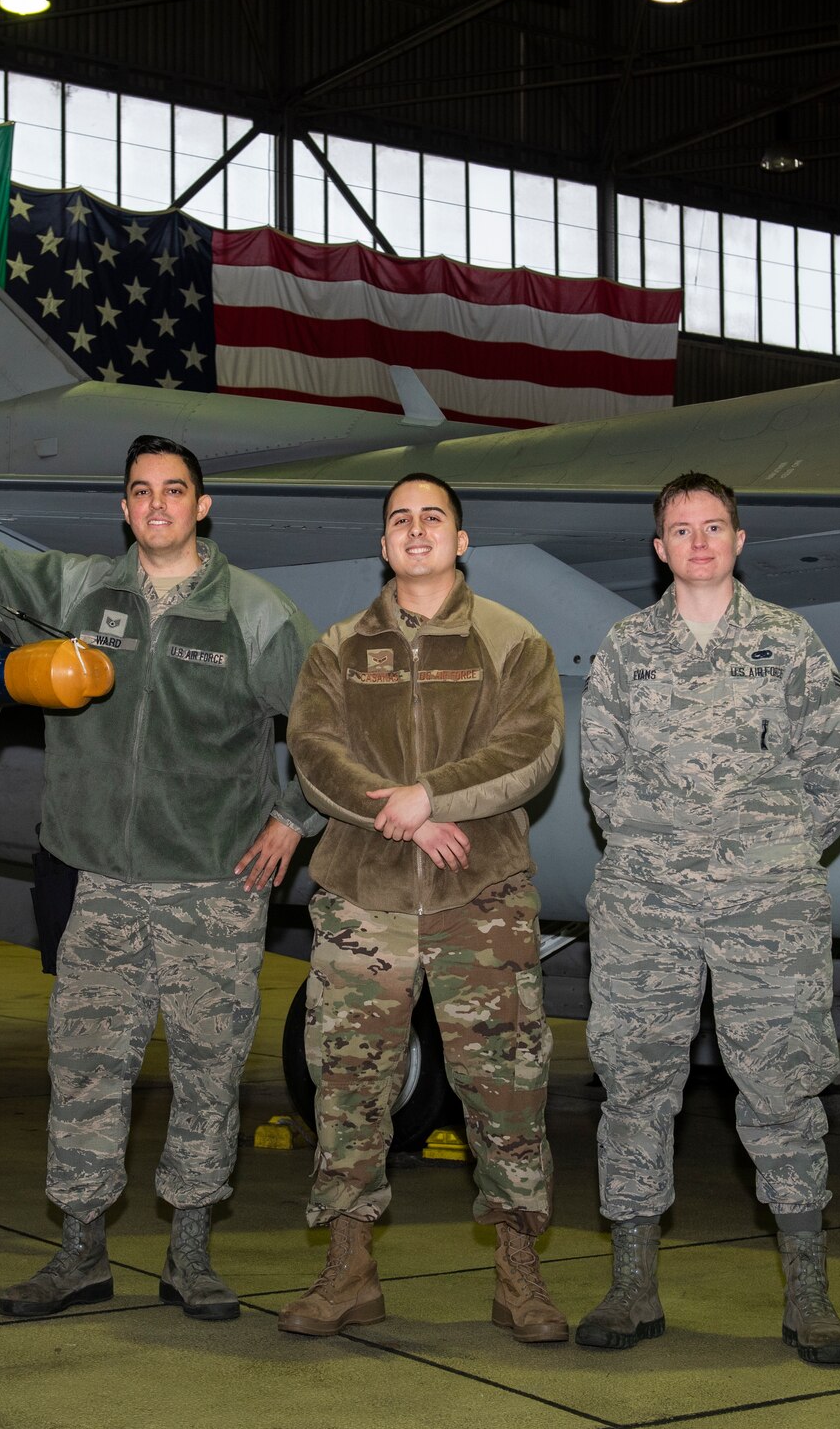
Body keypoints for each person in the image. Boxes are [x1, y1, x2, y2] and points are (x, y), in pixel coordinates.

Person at [0, 435, 321, 1322]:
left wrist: (293, 816)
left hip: (212, 885)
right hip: (98, 882)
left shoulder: (254, 610)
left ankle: (190, 1255)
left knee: (208, 1072)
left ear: (202, 506)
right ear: (124, 509)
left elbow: (325, 724)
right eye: (139, 491)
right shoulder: (84, 592)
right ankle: (80, 1250)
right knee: (86, 1067)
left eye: (174, 490)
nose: (156, 504)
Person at [577, 471, 840, 1366]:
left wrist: (766, 859)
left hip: (767, 909)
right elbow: (603, 776)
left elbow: (832, 776)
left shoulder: (791, 642)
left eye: (713, 526)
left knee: (785, 1088)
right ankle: (632, 1285)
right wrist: (667, 857)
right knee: (634, 1087)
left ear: (739, 540)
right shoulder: (627, 648)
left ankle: (808, 1296)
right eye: (680, 529)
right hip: (646, 905)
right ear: (659, 550)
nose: (698, 541)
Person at [278, 473, 567, 1343]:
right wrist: (392, 808)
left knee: (506, 1085)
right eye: (399, 519)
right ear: (383, 542)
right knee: (349, 1084)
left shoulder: (512, 642)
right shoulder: (338, 646)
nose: (415, 530)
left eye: (432, 518)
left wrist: (434, 795)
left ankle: (519, 1274)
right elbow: (312, 746)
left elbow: (532, 746)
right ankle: (348, 1270)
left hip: (480, 894)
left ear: (461, 540)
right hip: (364, 896)